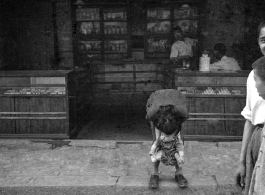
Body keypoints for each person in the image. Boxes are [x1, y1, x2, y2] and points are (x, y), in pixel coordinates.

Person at [234, 21, 265, 195]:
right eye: (263, 39)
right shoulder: (253, 75)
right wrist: (242, 162)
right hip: (258, 142)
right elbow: (249, 119)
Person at [146, 89, 189, 189]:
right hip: (157, 107)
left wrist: (177, 138)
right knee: (156, 144)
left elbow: (183, 120)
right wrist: (157, 142)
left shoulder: (182, 112)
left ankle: (179, 173)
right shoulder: (152, 113)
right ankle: (154, 173)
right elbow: (150, 118)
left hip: (176, 107)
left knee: (179, 144)